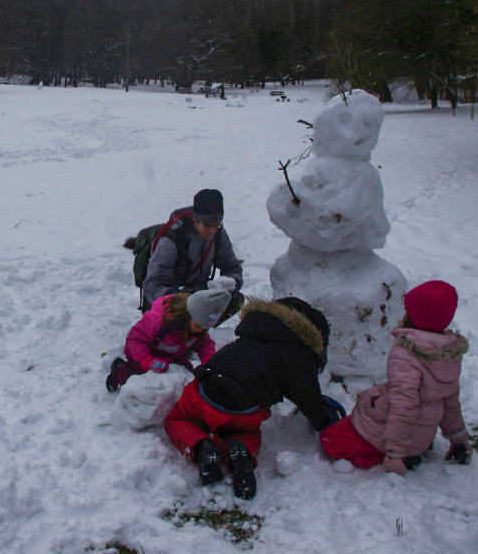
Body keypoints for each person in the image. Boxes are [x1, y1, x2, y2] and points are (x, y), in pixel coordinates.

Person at [164, 297, 345, 500]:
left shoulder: (254, 329)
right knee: (246, 432)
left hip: (207, 390)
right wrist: (325, 420)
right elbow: (308, 398)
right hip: (243, 409)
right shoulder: (299, 357)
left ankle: (200, 447)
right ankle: (240, 449)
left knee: (176, 419)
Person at [319, 280, 472, 474]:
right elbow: (450, 402)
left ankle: (393, 456)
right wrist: (459, 440)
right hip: (419, 435)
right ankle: (408, 450)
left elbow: (404, 406)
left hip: (398, 438)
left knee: (329, 440)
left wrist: (394, 454)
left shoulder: (407, 353)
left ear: (415, 315)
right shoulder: (449, 354)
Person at [142, 189, 244, 323]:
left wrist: (231, 283)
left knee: (235, 300)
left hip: (199, 293)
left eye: (217, 225)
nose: (212, 231)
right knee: (180, 318)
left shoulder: (218, 233)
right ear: (195, 220)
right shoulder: (172, 239)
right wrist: (179, 297)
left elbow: (232, 267)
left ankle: (200, 331)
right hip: (171, 299)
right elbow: (152, 285)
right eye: (207, 226)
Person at [106, 289, 232, 393]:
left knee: (188, 377)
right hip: (146, 355)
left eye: (204, 329)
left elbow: (205, 344)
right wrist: (148, 361)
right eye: (199, 326)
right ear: (189, 315)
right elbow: (134, 340)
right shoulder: (159, 321)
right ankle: (119, 370)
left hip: (173, 356)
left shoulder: (197, 328)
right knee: (136, 374)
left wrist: (208, 362)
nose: (200, 331)